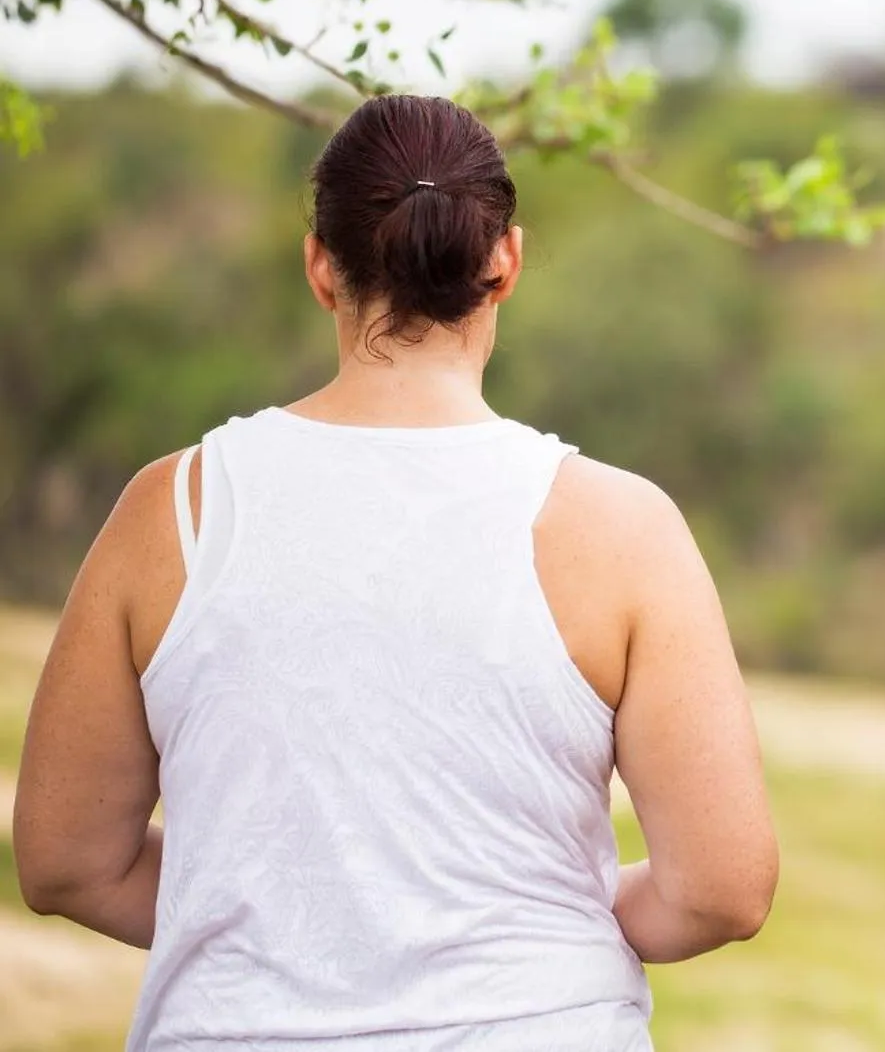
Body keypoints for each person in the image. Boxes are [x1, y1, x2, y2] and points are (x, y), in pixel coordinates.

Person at [13, 94, 778, 1051]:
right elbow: (722, 889)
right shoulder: (625, 529)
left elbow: (65, 862)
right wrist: (542, 928)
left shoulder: (169, 512)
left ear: (322, 265)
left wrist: (278, 921)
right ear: (505, 260)